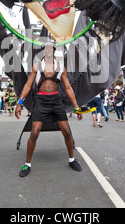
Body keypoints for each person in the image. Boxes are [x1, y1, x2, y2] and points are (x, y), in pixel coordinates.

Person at [15, 41, 83, 177]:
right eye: (46, 48)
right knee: (34, 132)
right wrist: (19, 102)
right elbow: (28, 85)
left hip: (56, 101)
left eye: (50, 48)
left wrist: (76, 107)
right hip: (41, 101)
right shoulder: (37, 66)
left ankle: (72, 159)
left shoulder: (60, 67)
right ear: (43, 50)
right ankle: (27, 164)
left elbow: (68, 88)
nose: (48, 50)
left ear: (53, 50)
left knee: (67, 132)